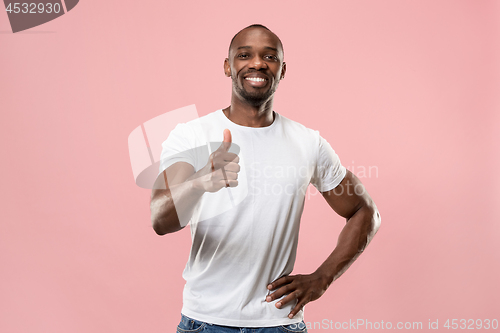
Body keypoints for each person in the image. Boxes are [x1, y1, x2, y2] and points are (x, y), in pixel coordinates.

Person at [150, 24, 381, 332]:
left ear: (282, 70)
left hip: (279, 323)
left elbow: (365, 211)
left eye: (269, 56)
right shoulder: (190, 135)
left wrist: (322, 278)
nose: (257, 63)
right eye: (244, 54)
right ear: (227, 66)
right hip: (204, 321)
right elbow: (160, 220)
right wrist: (199, 182)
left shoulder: (307, 142)